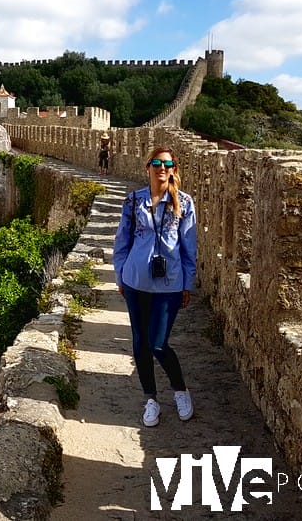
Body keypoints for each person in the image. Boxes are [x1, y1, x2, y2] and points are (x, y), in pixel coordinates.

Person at [113, 146, 197, 427]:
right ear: (147, 167)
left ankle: (180, 391)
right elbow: (122, 243)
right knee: (140, 342)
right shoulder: (132, 201)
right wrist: (120, 276)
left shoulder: (183, 203)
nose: (162, 167)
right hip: (136, 281)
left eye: (168, 163)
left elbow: (189, 247)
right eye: (157, 163)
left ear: (174, 169)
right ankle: (151, 398)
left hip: (169, 284)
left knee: (158, 343)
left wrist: (188, 283)